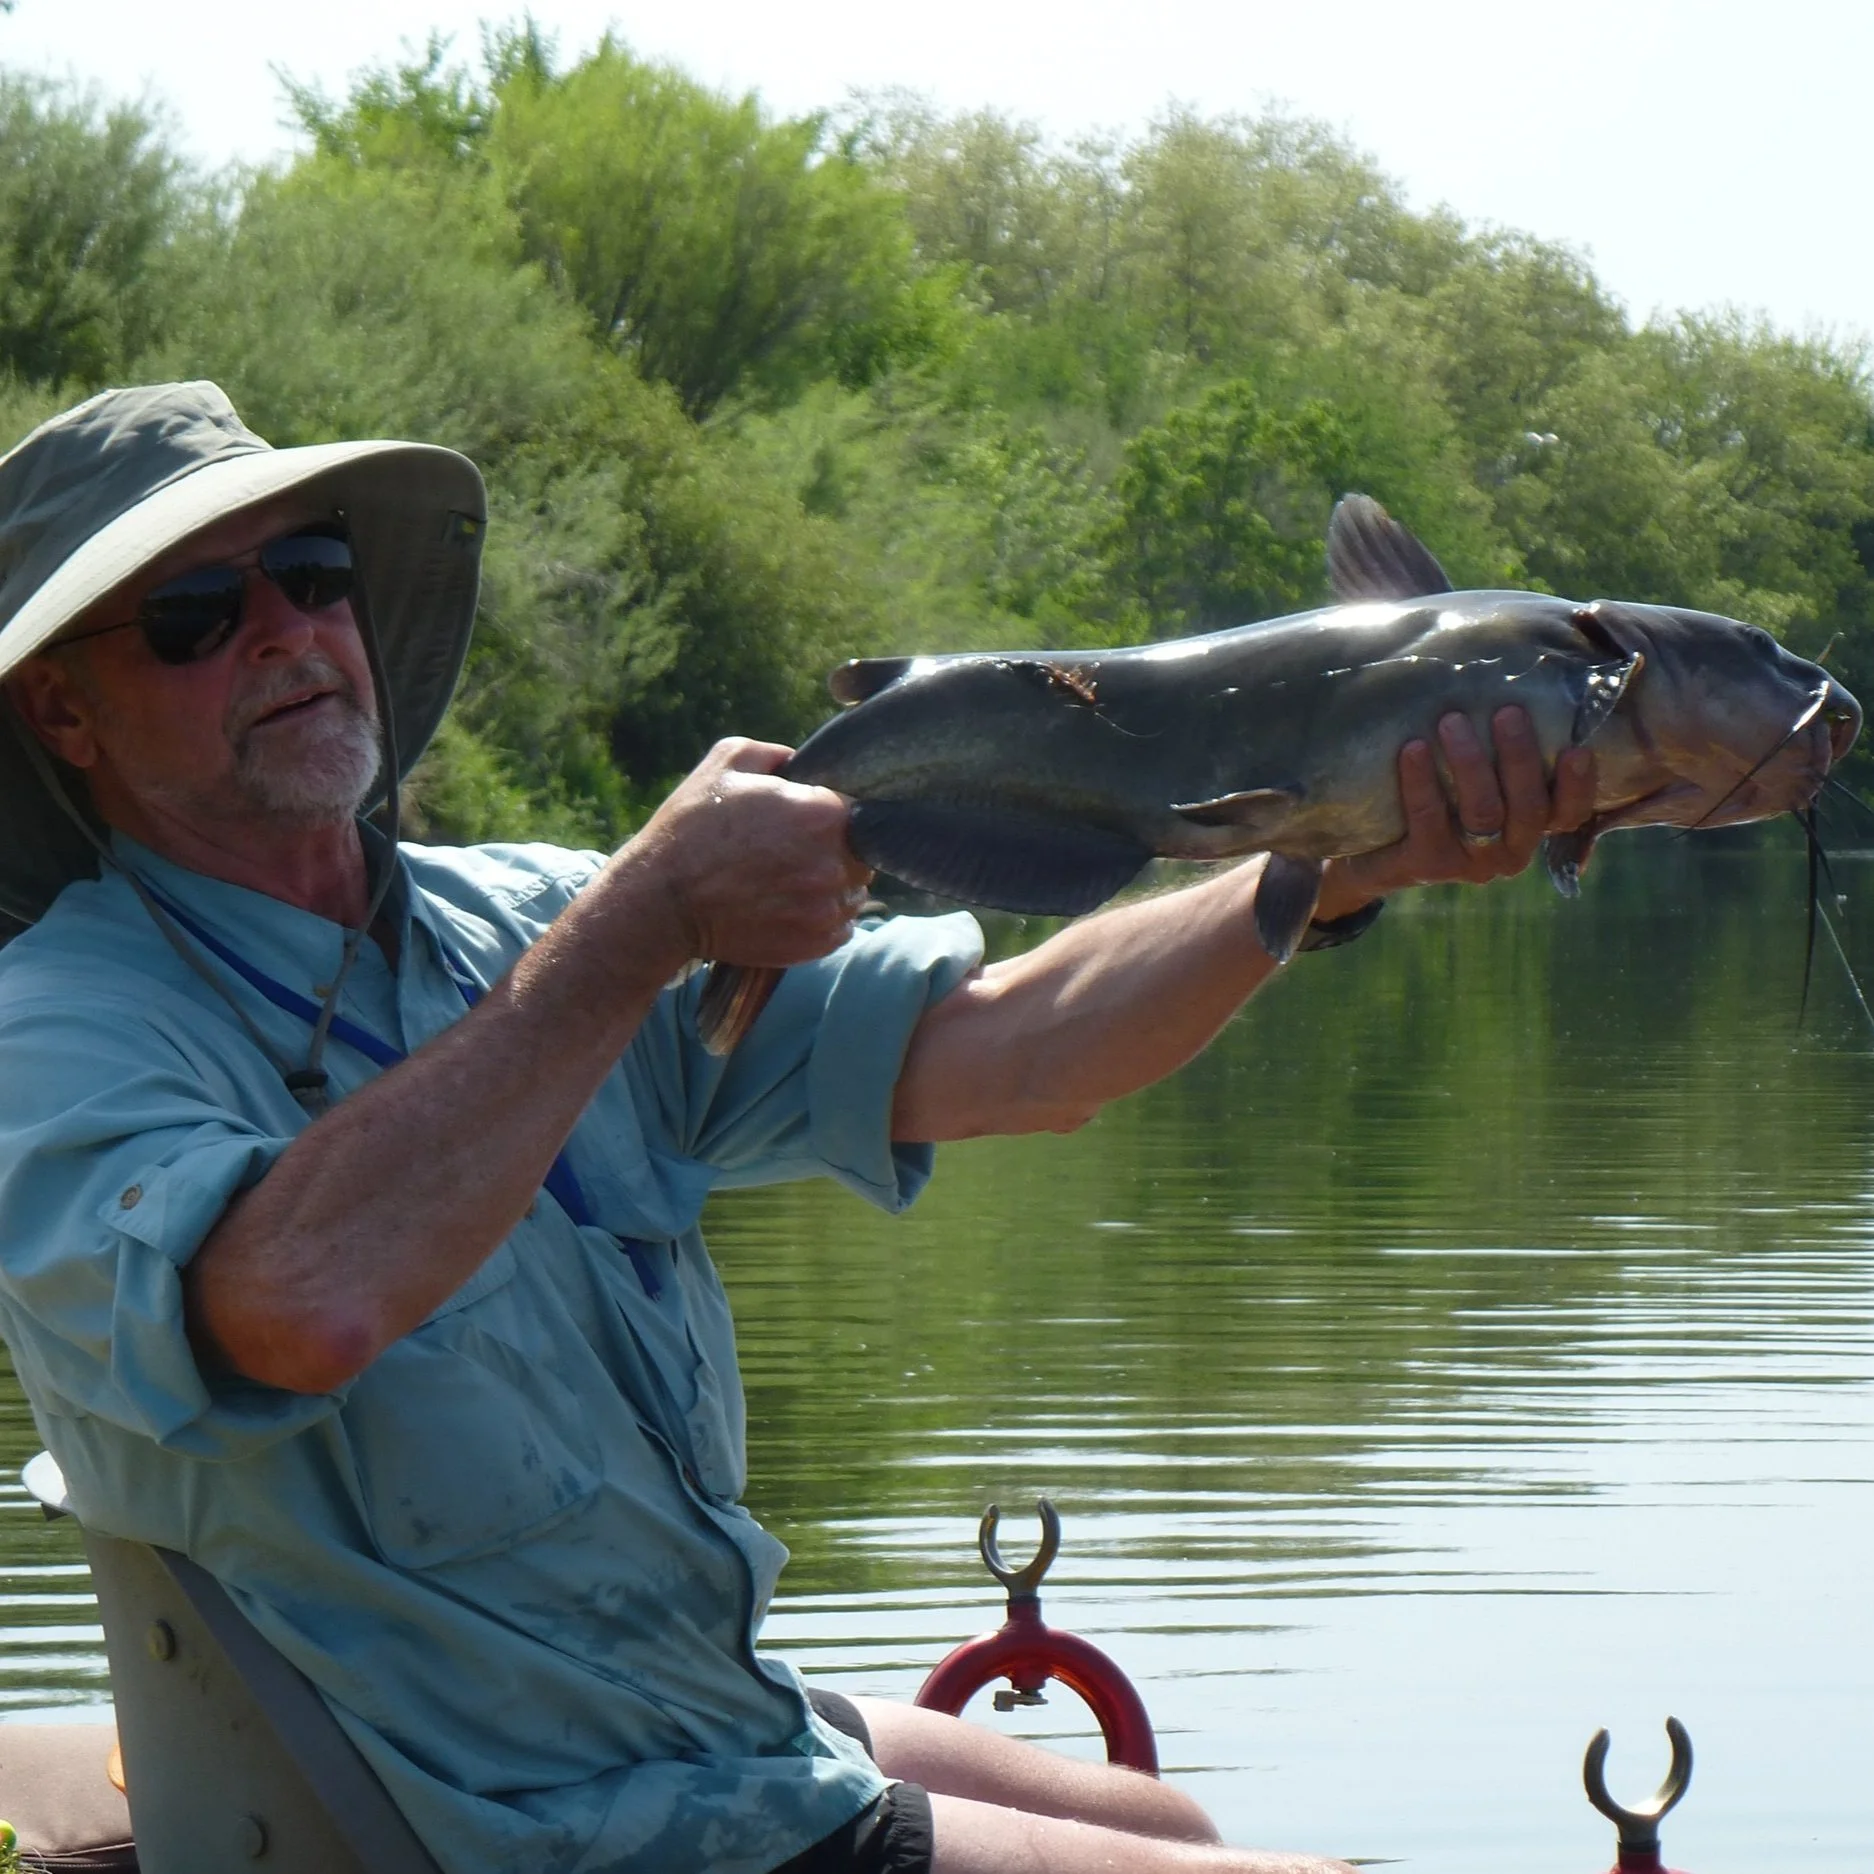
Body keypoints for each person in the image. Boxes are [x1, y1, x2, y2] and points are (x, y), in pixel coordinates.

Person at [0, 383, 1593, 1874]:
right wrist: (640, 925)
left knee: (1151, 1811)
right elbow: (298, 1298)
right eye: (200, 617)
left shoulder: (524, 923)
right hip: (540, 1822)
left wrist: (1328, 863)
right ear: (66, 719)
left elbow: (1020, 1048)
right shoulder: (63, 1024)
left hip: (701, 1734)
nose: (284, 632)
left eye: (310, 570)